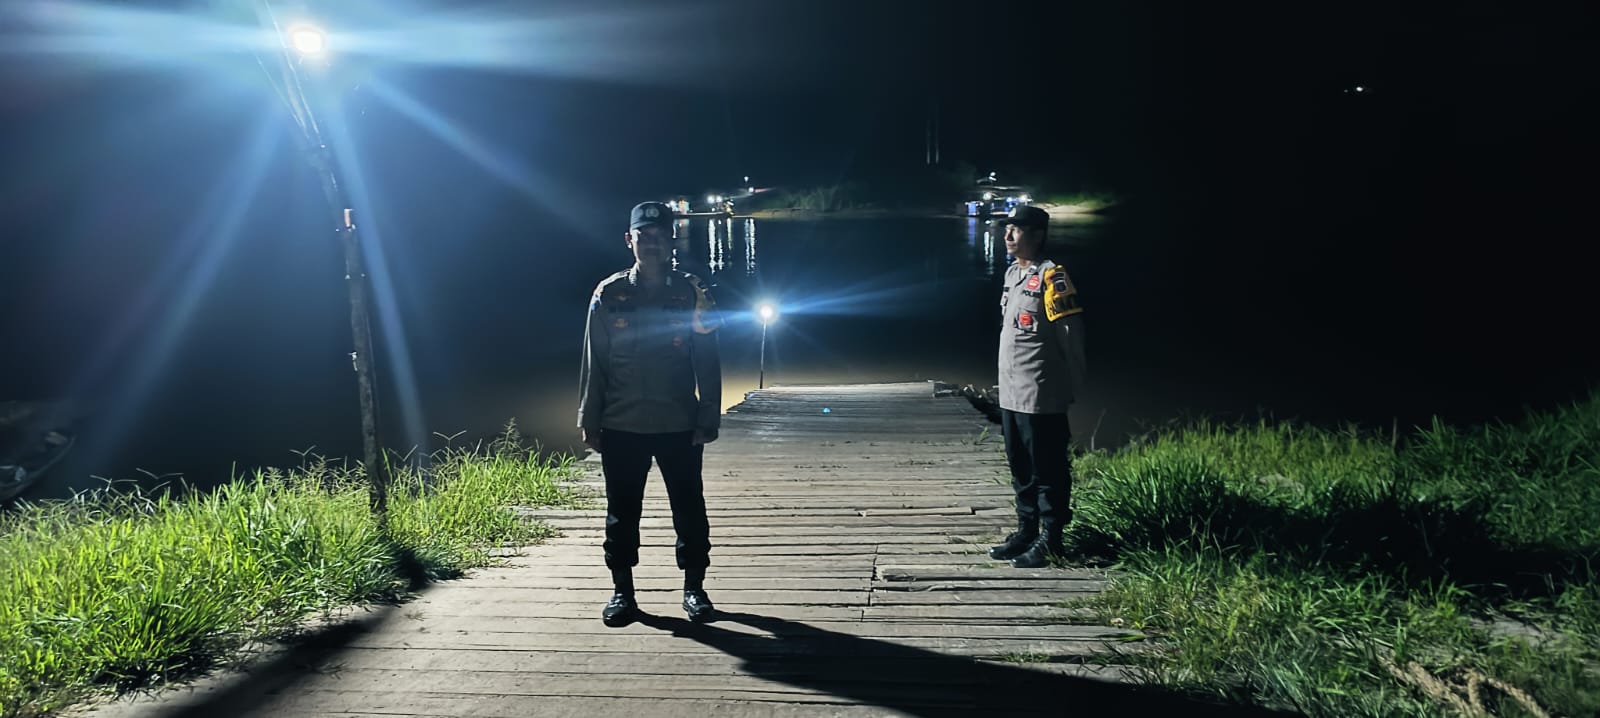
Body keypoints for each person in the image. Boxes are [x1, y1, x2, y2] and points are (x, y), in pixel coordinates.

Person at [578, 201, 723, 626]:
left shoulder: (692, 292)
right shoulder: (608, 294)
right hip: (621, 423)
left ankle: (695, 589)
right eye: (644, 236)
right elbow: (594, 361)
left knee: (689, 508)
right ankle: (622, 593)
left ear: (671, 240)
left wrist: (708, 415)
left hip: (679, 422)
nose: (652, 243)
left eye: (660, 235)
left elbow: (707, 358)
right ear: (630, 240)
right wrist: (589, 418)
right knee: (621, 512)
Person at [986, 204, 1087, 569]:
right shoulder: (1013, 273)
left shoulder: (1052, 277)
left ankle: (1051, 538)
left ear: (1038, 235)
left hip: (1041, 391)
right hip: (1011, 390)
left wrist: (1073, 383)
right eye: (1007, 229)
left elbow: (1070, 336)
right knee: (1020, 466)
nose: (1008, 235)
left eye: (1017, 229)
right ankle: (1026, 530)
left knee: (1048, 468)